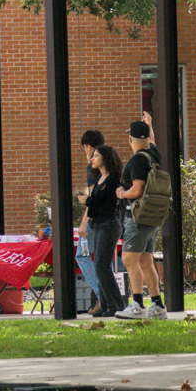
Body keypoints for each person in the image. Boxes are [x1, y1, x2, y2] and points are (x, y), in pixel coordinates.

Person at [115, 120, 167, 320]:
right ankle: (158, 306)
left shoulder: (137, 161)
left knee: (128, 259)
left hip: (138, 217)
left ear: (129, 139)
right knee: (145, 260)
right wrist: (150, 124)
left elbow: (137, 190)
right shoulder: (153, 154)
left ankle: (137, 304)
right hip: (152, 217)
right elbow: (151, 139)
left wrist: (121, 193)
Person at [80, 145, 126, 318]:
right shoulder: (99, 179)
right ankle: (106, 306)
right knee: (100, 266)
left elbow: (107, 208)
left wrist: (88, 201)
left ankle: (117, 305)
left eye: (96, 155)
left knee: (101, 265)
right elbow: (97, 207)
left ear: (105, 158)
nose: (92, 158)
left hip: (109, 225)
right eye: (92, 156)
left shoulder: (113, 181)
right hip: (99, 225)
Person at [75, 130, 107, 315]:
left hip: (94, 220)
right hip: (107, 218)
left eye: (85, 149)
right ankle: (110, 297)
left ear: (87, 146)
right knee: (104, 260)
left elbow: (93, 198)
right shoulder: (109, 162)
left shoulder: (93, 166)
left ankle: (103, 296)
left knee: (82, 256)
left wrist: (84, 223)